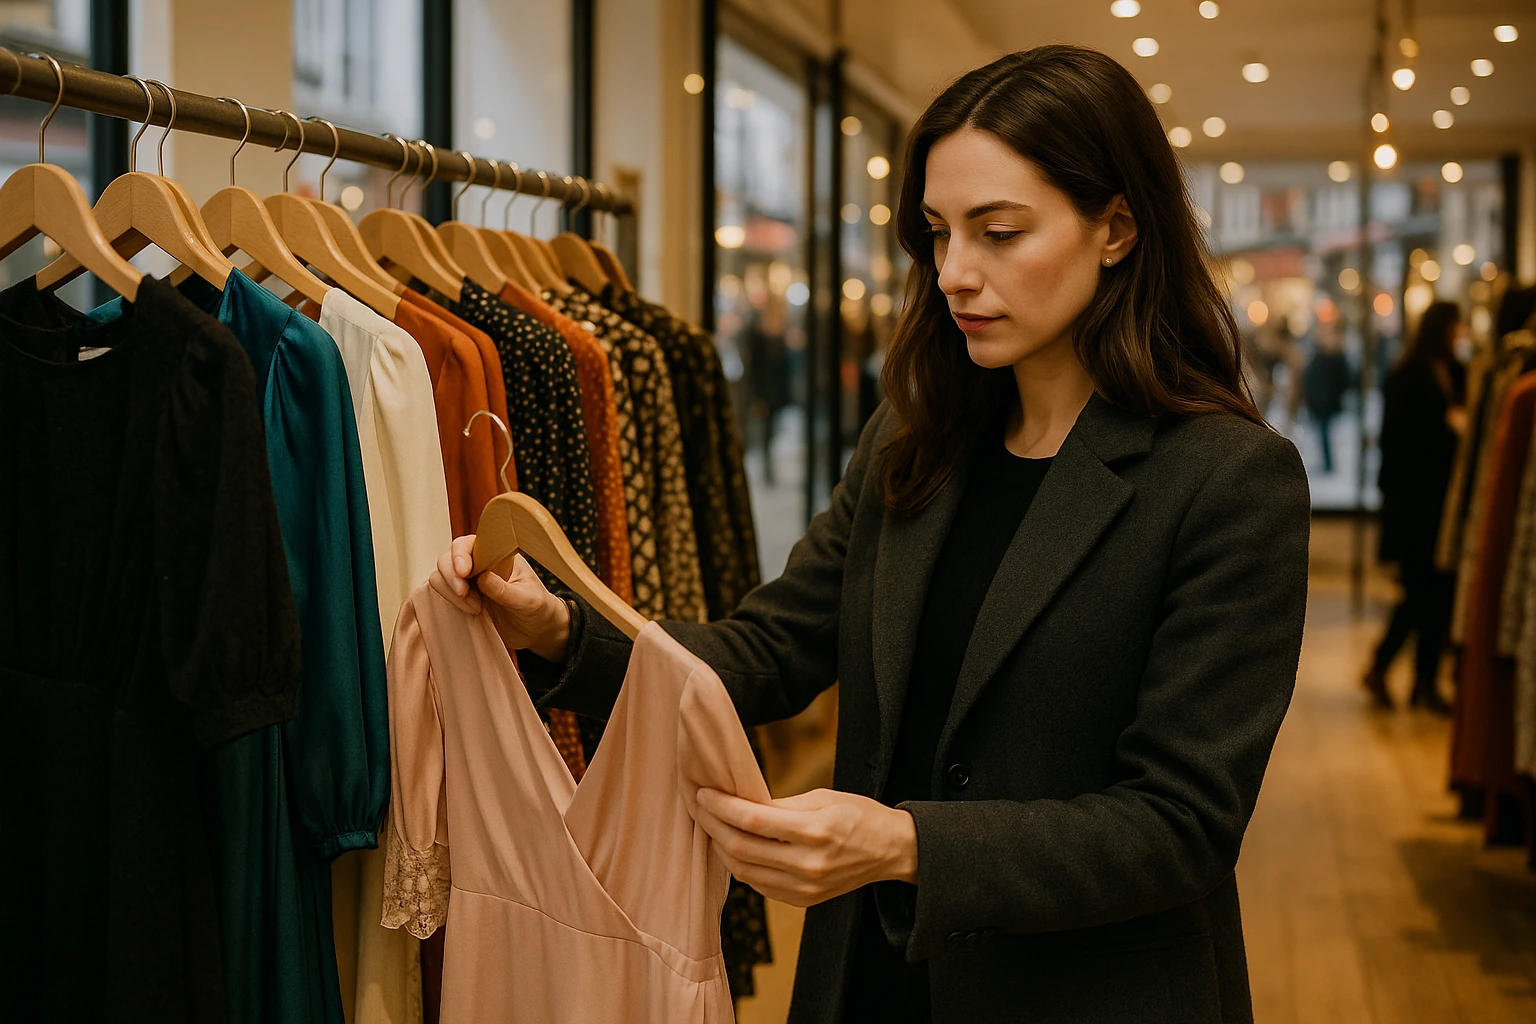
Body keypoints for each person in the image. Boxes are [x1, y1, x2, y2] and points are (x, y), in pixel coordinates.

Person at [431, 45, 1309, 1024]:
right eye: (937, 234)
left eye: (1000, 231)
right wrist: (558, 628)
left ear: (1117, 227)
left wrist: (903, 845)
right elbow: (774, 645)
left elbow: (1182, 823)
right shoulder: (917, 434)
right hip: (872, 982)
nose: (954, 274)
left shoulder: (1226, 480)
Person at [1364, 301, 1468, 712]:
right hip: (1416, 503)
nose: (1459, 333)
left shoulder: (1457, 372)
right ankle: (1387, 666)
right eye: (1454, 326)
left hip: (1445, 503)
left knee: (1436, 593)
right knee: (1420, 593)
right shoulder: (1408, 375)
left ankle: (1421, 681)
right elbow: (1397, 442)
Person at [1303, 319, 1352, 474]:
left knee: (1326, 433)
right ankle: (1327, 463)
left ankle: (1329, 464)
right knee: (1323, 433)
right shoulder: (1321, 356)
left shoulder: (1333, 358)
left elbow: (1343, 380)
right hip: (1320, 400)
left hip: (1325, 401)